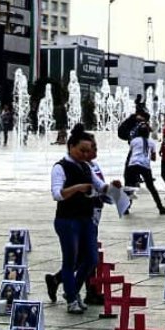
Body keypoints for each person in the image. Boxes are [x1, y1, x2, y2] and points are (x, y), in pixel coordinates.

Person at [49, 130, 111, 314]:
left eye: (88, 151)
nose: (85, 155)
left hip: (87, 219)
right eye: (81, 150)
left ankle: (72, 292)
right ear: (71, 147)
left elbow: (100, 187)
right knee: (70, 260)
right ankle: (72, 299)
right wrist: (77, 188)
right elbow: (57, 194)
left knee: (91, 258)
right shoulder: (60, 167)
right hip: (67, 220)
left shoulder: (86, 167)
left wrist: (113, 188)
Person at [125, 122, 165, 214]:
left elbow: (132, 152)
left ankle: (125, 208)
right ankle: (160, 207)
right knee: (151, 188)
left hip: (132, 165)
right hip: (144, 165)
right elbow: (153, 158)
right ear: (147, 133)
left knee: (129, 187)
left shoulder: (134, 141)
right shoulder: (152, 143)